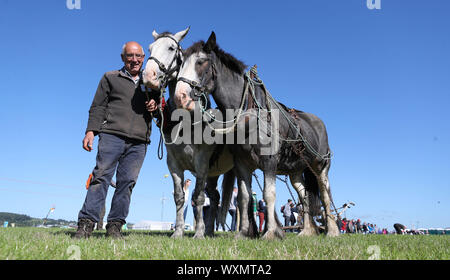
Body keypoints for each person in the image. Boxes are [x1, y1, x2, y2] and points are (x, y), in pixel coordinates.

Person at [75, 41, 160, 239]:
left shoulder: (153, 83)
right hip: (112, 135)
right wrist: (90, 132)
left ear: (143, 58)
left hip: (139, 141)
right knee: (101, 176)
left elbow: (160, 114)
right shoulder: (110, 77)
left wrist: (155, 106)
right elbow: (98, 106)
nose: (135, 60)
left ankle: (115, 227)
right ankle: (86, 224)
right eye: (130, 56)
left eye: (138, 56)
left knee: (127, 182)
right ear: (123, 58)